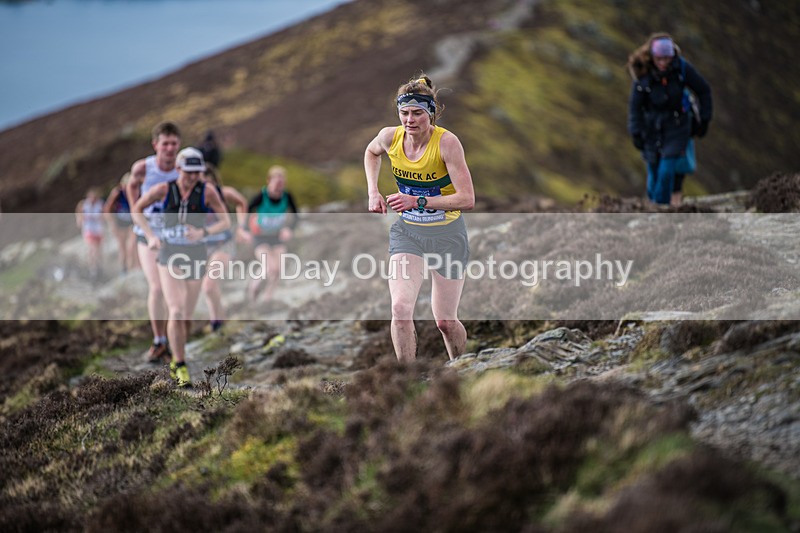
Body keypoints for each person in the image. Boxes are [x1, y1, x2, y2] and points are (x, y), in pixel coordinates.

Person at [364, 74, 475, 363]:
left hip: (447, 234)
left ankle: (461, 369)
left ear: (431, 113)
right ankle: (406, 381)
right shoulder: (390, 137)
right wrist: (373, 191)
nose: (409, 120)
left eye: (417, 113)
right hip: (408, 233)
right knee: (400, 308)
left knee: (445, 322)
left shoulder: (447, 143)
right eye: (404, 113)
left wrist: (418, 200)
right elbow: (371, 152)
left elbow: (467, 199)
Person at [132, 148, 231, 387]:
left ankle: (178, 351)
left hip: (196, 255)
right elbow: (137, 209)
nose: (192, 177)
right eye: (188, 173)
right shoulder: (164, 190)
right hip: (169, 254)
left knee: (186, 313)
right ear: (178, 170)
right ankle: (180, 364)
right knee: (175, 310)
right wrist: (150, 235)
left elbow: (226, 220)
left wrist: (204, 232)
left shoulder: (206, 192)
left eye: (197, 173)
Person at [627, 33, 713, 206]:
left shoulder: (681, 69)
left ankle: (660, 211)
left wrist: (705, 118)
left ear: (672, 55)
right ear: (652, 57)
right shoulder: (643, 74)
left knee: (667, 171)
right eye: (659, 59)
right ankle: (653, 206)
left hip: (677, 127)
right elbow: (635, 108)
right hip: (651, 129)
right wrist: (636, 132)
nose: (663, 63)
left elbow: (704, 90)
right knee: (653, 172)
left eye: (666, 58)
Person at [127, 121, 182, 363]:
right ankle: (159, 340)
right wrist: (137, 216)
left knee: (177, 292)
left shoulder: (182, 169)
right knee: (157, 288)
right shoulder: (143, 168)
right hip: (147, 236)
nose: (169, 148)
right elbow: (131, 186)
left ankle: (175, 339)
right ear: (156, 145)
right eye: (165, 144)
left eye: (174, 144)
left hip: (174, 237)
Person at [201, 164, 248, 331]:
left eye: (210, 182)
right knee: (212, 286)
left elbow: (241, 202)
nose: (207, 188)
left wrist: (242, 227)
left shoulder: (224, 193)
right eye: (202, 183)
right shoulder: (192, 198)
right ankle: (221, 317)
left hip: (224, 245)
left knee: (208, 285)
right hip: (202, 247)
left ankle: (216, 323)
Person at [245, 165, 299, 304]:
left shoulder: (287, 196)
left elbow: (296, 216)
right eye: (276, 183)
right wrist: (248, 226)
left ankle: (268, 297)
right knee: (270, 268)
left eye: (281, 183)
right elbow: (247, 211)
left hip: (277, 237)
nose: (278, 187)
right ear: (269, 181)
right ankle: (253, 288)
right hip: (260, 237)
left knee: (279, 269)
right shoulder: (261, 196)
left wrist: (289, 229)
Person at [103, 172, 138, 274]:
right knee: (122, 247)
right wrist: (112, 225)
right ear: (122, 185)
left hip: (132, 223)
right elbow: (107, 209)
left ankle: (133, 267)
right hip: (120, 223)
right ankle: (124, 269)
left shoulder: (136, 192)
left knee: (131, 246)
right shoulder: (117, 193)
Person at [75, 187, 105, 279]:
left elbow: (104, 215)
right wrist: (79, 221)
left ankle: (98, 266)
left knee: (98, 250)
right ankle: (92, 268)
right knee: (92, 249)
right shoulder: (83, 205)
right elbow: (78, 213)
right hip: (88, 229)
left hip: (98, 230)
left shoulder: (100, 204)